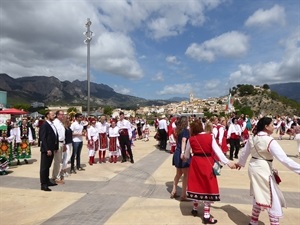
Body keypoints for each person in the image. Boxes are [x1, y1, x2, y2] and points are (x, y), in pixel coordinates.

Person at [236, 117, 300, 225]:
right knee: (272, 197)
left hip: (253, 167)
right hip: (263, 169)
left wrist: (240, 163)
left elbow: (244, 154)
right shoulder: (269, 140)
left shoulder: (253, 138)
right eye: (272, 125)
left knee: (258, 192)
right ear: (266, 127)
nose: (273, 127)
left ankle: (253, 221)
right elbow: (284, 159)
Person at [183, 119, 235, 224]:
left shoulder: (191, 139)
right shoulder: (210, 137)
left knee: (196, 184)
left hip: (195, 163)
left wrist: (183, 155)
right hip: (207, 163)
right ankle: (206, 215)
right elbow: (219, 152)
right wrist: (228, 162)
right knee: (207, 186)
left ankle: (195, 208)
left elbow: (187, 155)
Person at [170, 116, 190, 201]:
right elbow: (184, 141)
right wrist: (183, 153)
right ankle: (183, 195)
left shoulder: (178, 130)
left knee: (178, 173)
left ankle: (174, 190)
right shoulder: (185, 131)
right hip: (182, 153)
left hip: (177, 152)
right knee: (186, 174)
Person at [39, 111, 59, 191]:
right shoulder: (45, 125)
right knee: (44, 167)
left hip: (52, 148)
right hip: (47, 149)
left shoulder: (52, 124)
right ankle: (43, 184)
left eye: (54, 115)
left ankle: (47, 181)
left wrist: (55, 147)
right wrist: (47, 149)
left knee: (48, 166)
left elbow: (54, 136)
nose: (54, 116)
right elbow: (43, 138)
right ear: (47, 115)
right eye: (52, 114)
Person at [52, 110, 65, 184]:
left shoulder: (60, 123)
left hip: (61, 143)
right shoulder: (55, 123)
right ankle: (56, 177)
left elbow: (62, 135)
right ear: (57, 115)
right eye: (61, 114)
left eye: (63, 114)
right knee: (57, 161)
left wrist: (64, 143)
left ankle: (56, 175)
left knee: (59, 160)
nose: (63, 116)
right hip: (57, 143)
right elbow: (55, 135)